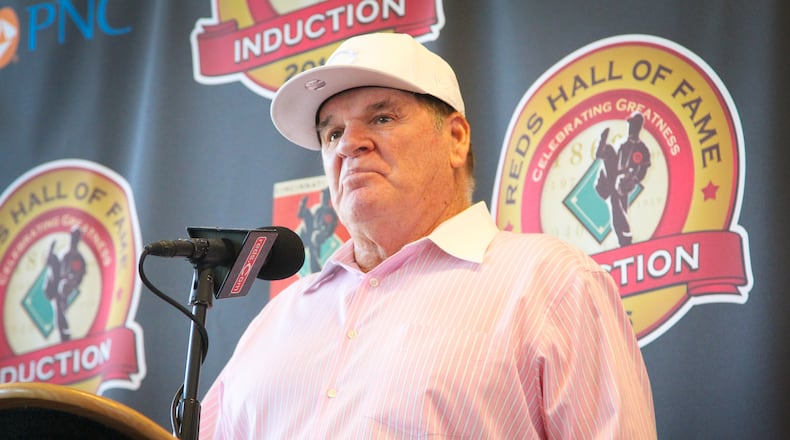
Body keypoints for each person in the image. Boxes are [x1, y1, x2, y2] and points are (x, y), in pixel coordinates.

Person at [198, 32, 657, 439]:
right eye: (332, 132)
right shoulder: (278, 321)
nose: (348, 143)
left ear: (456, 139)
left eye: (381, 119)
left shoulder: (552, 284)